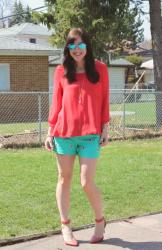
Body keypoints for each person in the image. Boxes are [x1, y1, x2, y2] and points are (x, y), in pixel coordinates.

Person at [45, 27, 110, 247]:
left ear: (87, 46)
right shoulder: (62, 70)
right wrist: (50, 130)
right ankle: (65, 226)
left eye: (81, 45)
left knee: (86, 182)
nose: (76, 49)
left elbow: (104, 99)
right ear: (68, 48)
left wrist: (105, 127)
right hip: (64, 133)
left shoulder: (100, 69)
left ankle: (100, 221)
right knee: (64, 178)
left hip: (90, 134)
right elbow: (56, 102)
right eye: (72, 45)